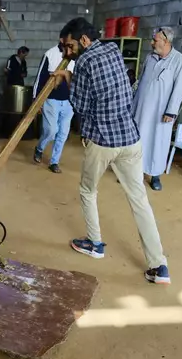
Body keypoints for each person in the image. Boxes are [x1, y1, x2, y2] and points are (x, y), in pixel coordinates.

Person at [52, 17, 170, 285]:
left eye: (70, 46)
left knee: (87, 191)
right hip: (130, 139)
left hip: (102, 142)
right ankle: (159, 265)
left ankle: (95, 244)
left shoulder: (83, 62)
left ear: (83, 40)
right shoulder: (113, 49)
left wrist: (67, 75)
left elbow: (80, 106)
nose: (68, 53)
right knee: (139, 200)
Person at [133, 27, 182, 191]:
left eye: (155, 40)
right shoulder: (150, 57)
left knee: (158, 142)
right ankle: (134, 174)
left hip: (161, 112)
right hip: (141, 108)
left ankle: (155, 175)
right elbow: (141, 80)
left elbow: (180, 88)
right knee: (137, 141)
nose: (152, 43)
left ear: (166, 41)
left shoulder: (179, 61)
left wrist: (171, 111)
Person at [32, 41, 75, 173]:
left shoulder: (76, 56)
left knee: (62, 133)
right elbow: (39, 79)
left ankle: (54, 162)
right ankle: (39, 148)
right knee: (51, 130)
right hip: (51, 100)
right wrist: (36, 101)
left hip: (69, 102)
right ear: (62, 39)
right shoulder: (50, 54)